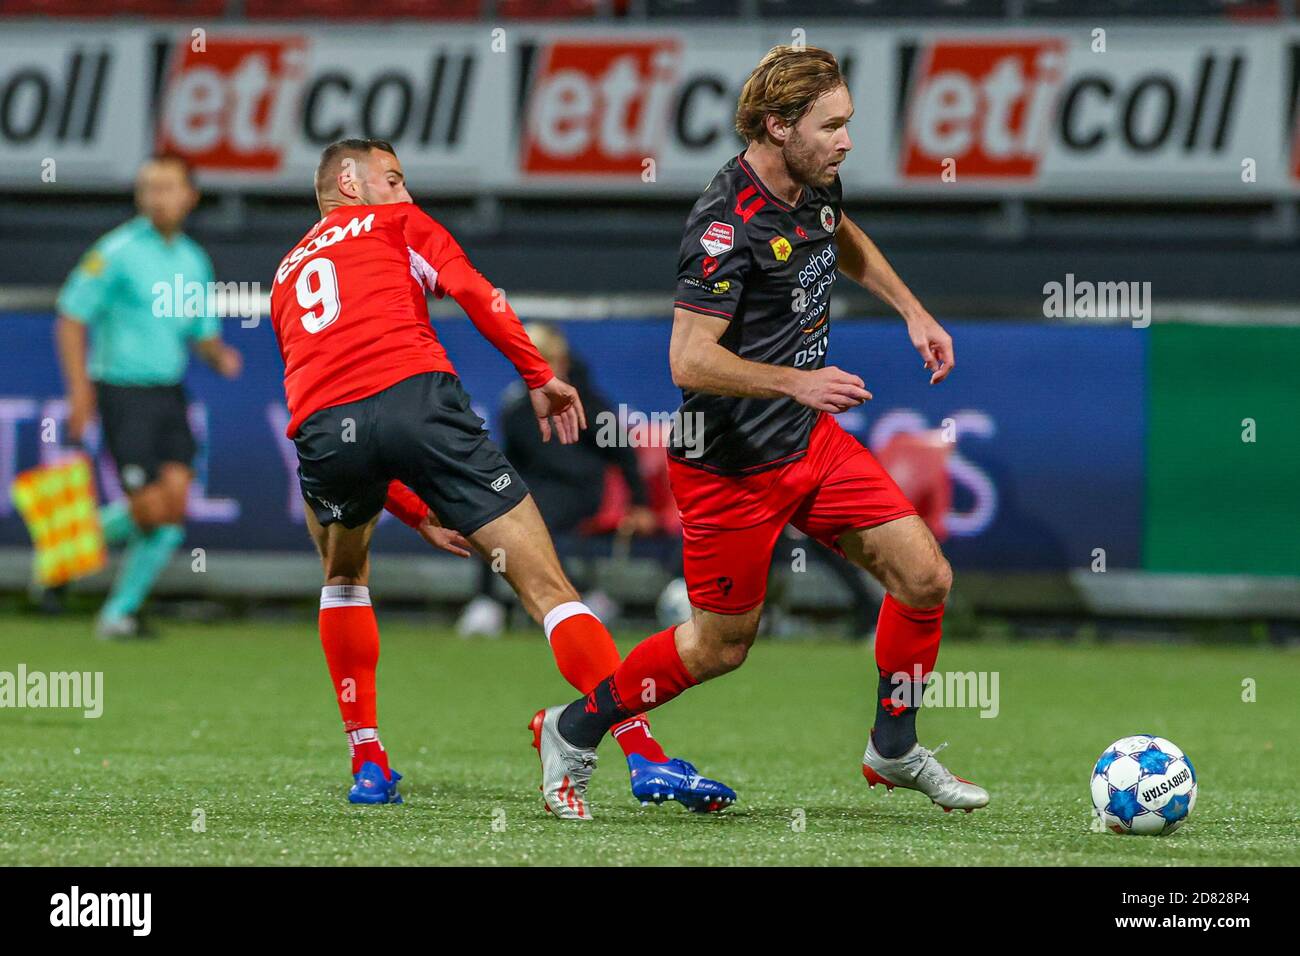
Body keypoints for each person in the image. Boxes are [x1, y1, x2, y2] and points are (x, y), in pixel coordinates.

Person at [534, 46, 988, 818]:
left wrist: (911, 309)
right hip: (729, 466)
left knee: (926, 578)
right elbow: (687, 359)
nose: (847, 141)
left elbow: (840, 234)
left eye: (848, 123)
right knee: (720, 646)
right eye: (832, 125)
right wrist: (796, 380)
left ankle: (894, 744)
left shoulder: (812, 182)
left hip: (807, 441)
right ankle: (573, 730)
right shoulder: (723, 225)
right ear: (778, 126)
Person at [268, 137, 733, 813]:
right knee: (548, 588)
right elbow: (475, 292)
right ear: (349, 181)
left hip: (325, 434)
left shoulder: (284, 274)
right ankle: (645, 755)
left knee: (343, 578)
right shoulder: (399, 224)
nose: (406, 193)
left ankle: (368, 763)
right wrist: (540, 375)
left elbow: (330, 410)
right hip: (418, 402)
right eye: (393, 179)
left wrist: (411, 506)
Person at [55, 154, 242, 639]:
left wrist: (218, 355)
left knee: (173, 510)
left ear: (189, 196)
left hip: (169, 392)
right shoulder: (115, 252)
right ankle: (62, 553)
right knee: (153, 511)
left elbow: (200, 330)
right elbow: (72, 317)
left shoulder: (193, 260)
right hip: (122, 393)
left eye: (166, 187)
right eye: (147, 188)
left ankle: (116, 612)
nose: (156, 198)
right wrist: (80, 392)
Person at [457, 322, 658, 636]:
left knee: (536, 522)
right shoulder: (516, 408)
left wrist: (640, 504)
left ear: (559, 361)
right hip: (534, 488)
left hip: (579, 491)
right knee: (491, 517)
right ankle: (488, 603)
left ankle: (580, 599)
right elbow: (510, 462)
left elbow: (623, 453)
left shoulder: (585, 401)